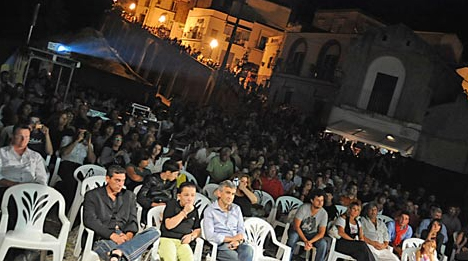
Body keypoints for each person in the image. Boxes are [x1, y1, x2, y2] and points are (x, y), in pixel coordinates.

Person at [83, 165, 160, 261]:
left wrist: (128, 235)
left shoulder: (129, 195)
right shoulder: (93, 195)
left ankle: (117, 253)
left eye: (123, 181)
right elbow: (90, 220)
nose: (121, 184)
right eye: (117, 180)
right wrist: (113, 236)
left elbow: (133, 220)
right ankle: (118, 254)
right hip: (103, 237)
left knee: (154, 232)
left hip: (123, 236)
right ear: (107, 179)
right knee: (126, 257)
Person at [203, 180, 254, 261]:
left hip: (237, 243)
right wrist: (231, 239)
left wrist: (238, 241)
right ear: (219, 193)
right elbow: (210, 235)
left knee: (248, 250)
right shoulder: (210, 211)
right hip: (221, 245)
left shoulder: (236, 208)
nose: (230, 197)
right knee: (236, 258)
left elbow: (241, 229)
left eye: (233, 194)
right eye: (228, 193)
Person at [0, 124, 48, 197]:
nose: (23, 140)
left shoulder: (35, 156)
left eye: (26, 137)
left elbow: (42, 178)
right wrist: (13, 185)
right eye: (20, 136)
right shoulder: (2, 153)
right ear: (12, 136)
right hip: (7, 190)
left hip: (30, 191)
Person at [158, 182, 201, 261]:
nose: (190, 198)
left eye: (192, 195)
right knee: (170, 258)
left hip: (183, 242)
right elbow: (169, 225)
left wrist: (191, 236)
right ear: (179, 196)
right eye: (186, 195)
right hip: (167, 239)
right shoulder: (172, 204)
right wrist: (184, 212)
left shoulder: (194, 210)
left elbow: (197, 229)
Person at [286, 189, 328, 261]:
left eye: (322, 200)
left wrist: (309, 242)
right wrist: (305, 240)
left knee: (323, 244)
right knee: (293, 237)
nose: (320, 203)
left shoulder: (324, 213)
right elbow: (296, 226)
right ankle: (286, 258)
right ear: (312, 200)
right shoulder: (304, 208)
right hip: (299, 232)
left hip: (312, 234)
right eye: (318, 200)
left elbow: (321, 233)